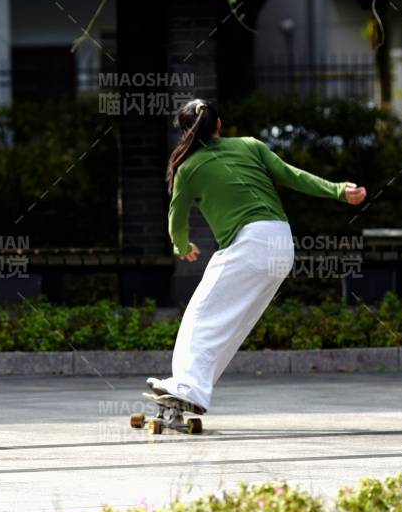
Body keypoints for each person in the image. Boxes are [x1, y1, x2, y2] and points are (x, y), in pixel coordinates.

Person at [147, 98, 366, 413]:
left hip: (250, 244)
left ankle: (187, 387)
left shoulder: (188, 167)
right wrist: (337, 190)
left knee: (201, 314)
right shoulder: (250, 145)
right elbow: (293, 176)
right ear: (219, 124)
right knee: (232, 324)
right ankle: (194, 387)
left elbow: (176, 219)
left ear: (185, 133)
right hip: (281, 244)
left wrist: (182, 246)